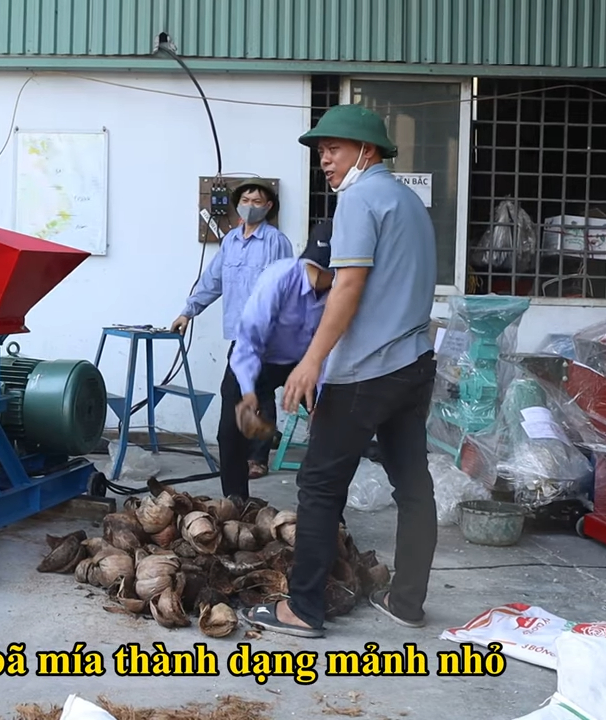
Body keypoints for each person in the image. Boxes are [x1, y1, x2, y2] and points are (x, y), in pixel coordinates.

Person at [241, 104, 439, 638]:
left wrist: (311, 361)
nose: (324, 160)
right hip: (413, 364)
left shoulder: (358, 200)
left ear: (366, 151)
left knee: (320, 485)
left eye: (334, 149)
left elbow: (348, 285)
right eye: (321, 151)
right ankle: (407, 602)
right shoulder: (408, 202)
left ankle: (303, 609)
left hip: (365, 372)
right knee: (413, 486)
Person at [171, 182, 293, 491]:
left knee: (247, 398)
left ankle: (255, 459)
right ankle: (238, 486)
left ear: (268, 207)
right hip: (241, 339)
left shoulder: (276, 242)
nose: (250, 205)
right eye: (245, 199)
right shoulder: (230, 242)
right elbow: (213, 280)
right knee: (242, 402)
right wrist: (188, 311)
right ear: (237, 205)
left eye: (257, 201)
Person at [223, 222, 334, 501]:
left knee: (332, 425)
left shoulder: (344, 291)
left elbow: (333, 350)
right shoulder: (279, 278)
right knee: (232, 430)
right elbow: (249, 340)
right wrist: (248, 391)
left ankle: (325, 508)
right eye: (313, 269)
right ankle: (236, 503)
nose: (318, 278)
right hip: (257, 356)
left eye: (327, 272)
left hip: (305, 361)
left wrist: (320, 400)